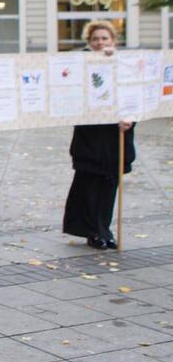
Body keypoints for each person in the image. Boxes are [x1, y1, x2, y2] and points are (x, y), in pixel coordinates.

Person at [63, 19, 135, 250]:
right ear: (89, 43)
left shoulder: (125, 65)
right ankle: (93, 231)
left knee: (109, 185)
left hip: (116, 135)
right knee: (90, 185)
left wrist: (131, 119)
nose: (100, 42)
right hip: (90, 136)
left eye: (104, 38)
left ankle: (105, 229)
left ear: (114, 41)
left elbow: (135, 95)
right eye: (95, 39)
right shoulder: (81, 63)